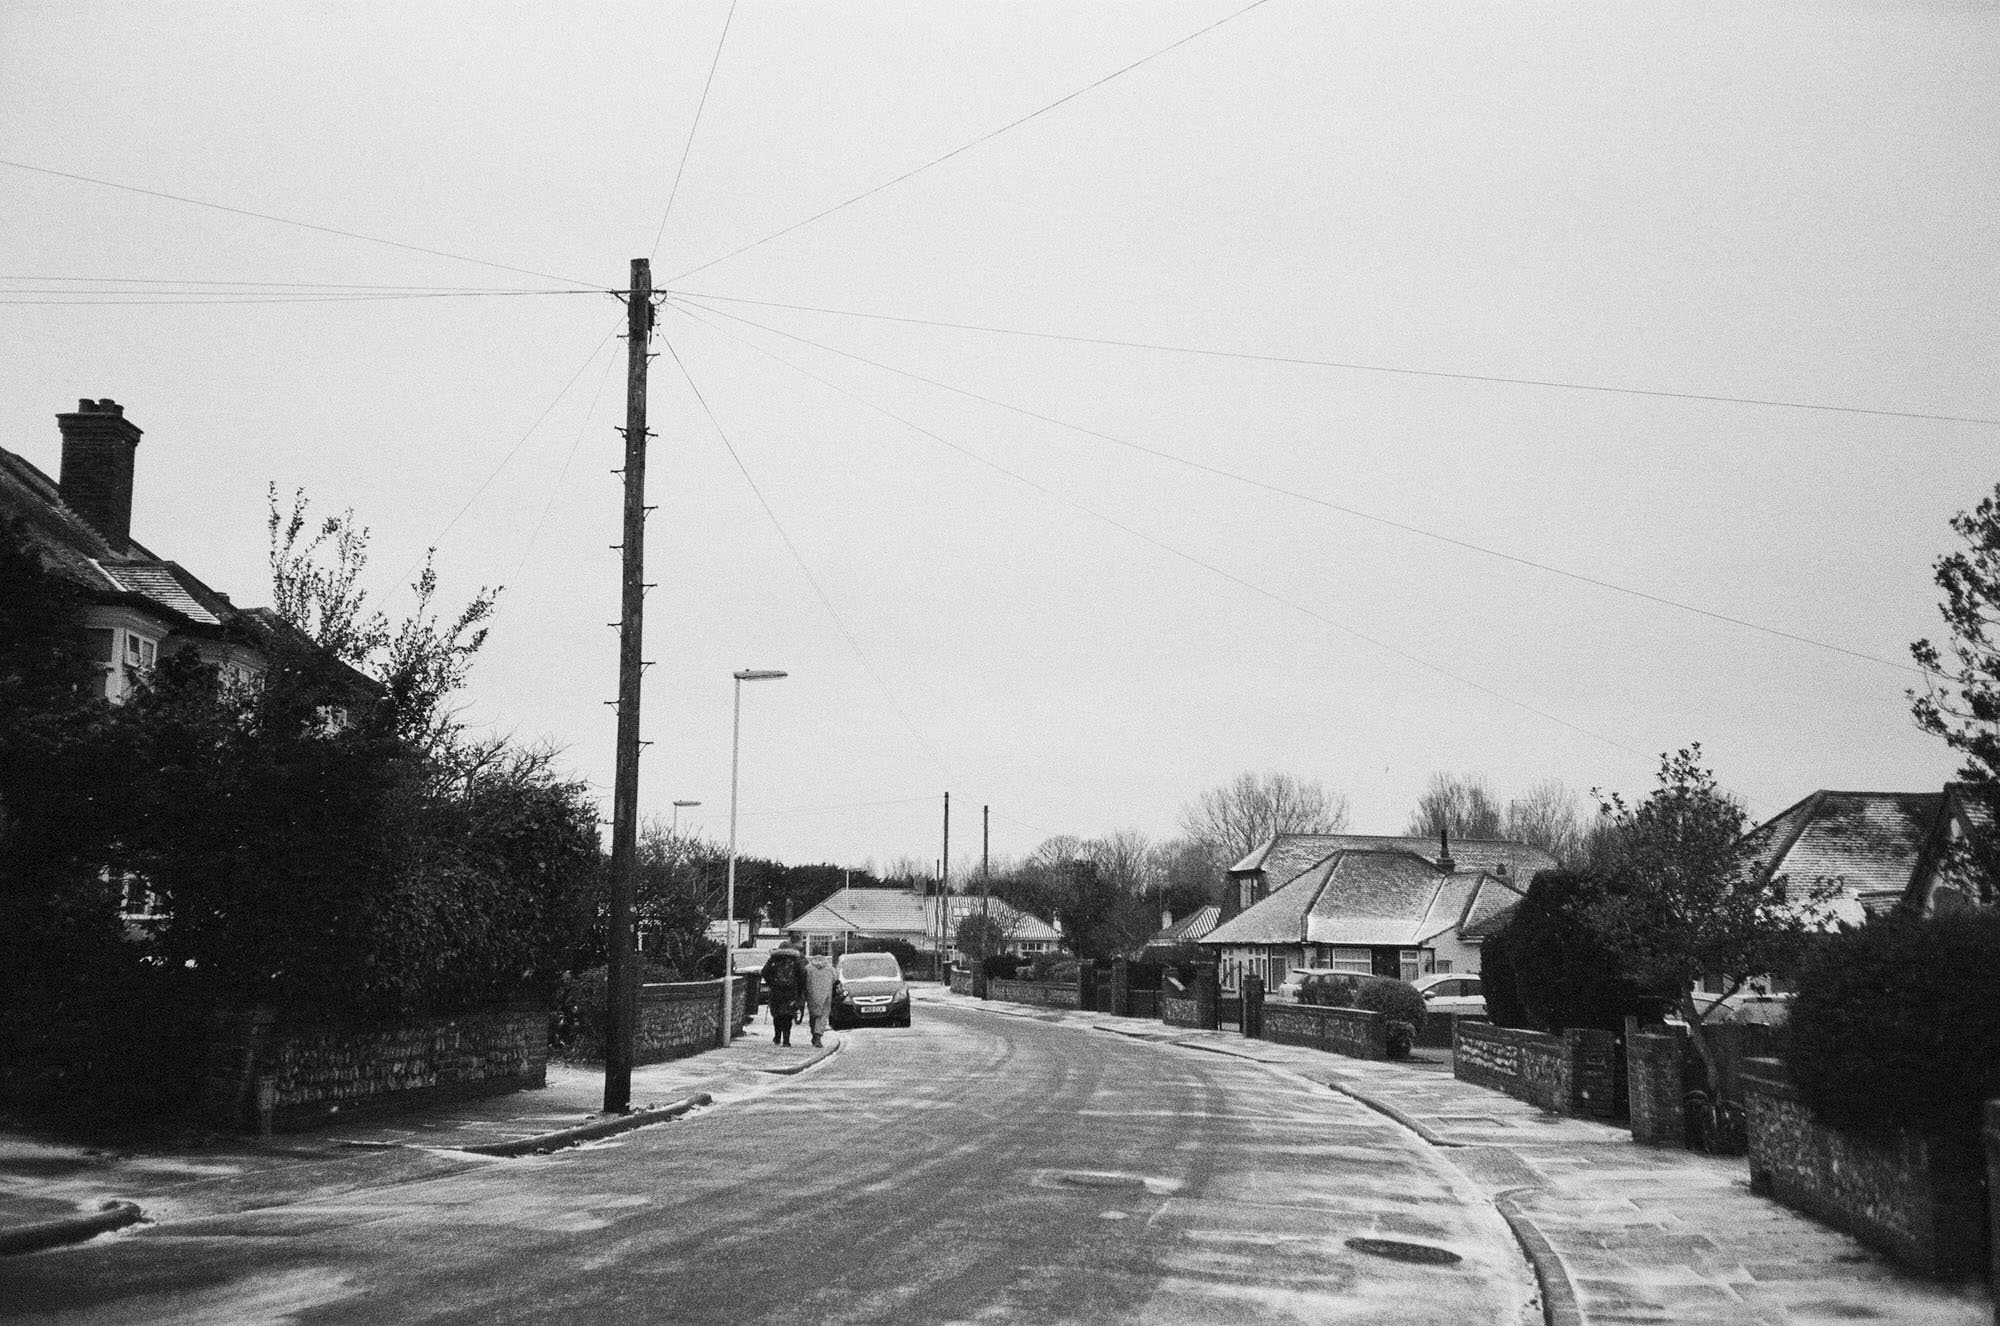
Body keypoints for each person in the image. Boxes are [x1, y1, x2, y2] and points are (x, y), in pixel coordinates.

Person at [763, 943, 805, 1047]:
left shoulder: (774, 959)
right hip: (790, 992)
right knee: (788, 1016)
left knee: (777, 1015)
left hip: (776, 991)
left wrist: (771, 983)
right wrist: (799, 989)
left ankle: (777, 1036)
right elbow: (802, 974)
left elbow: (764, 972)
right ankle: (786, 1040)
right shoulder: (796, 960)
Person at [804, 954, 836, 1048]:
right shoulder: (830, 968)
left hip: (812, 994)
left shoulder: (808, 968)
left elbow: (804, 979)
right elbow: (835, 978)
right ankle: (817, 1035)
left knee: (814, 1014)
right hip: (826, 995)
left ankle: (814, 1032)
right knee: (822, 1015)